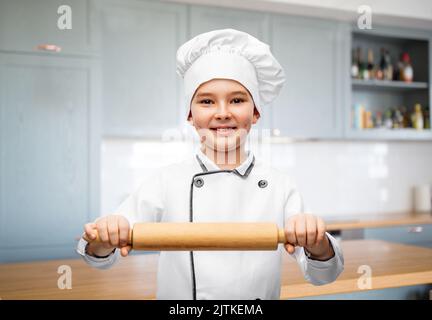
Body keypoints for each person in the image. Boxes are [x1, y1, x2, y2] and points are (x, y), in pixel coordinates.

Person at [76, 28, 344, 300]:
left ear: (255, 114)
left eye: (237, 100)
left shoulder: (280, 186)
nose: (223, 113)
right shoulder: (167, 181)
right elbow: (97, 256)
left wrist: (317, 241)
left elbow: (324, 274)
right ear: (191, 115)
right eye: (206, 101)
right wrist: (106, 235)